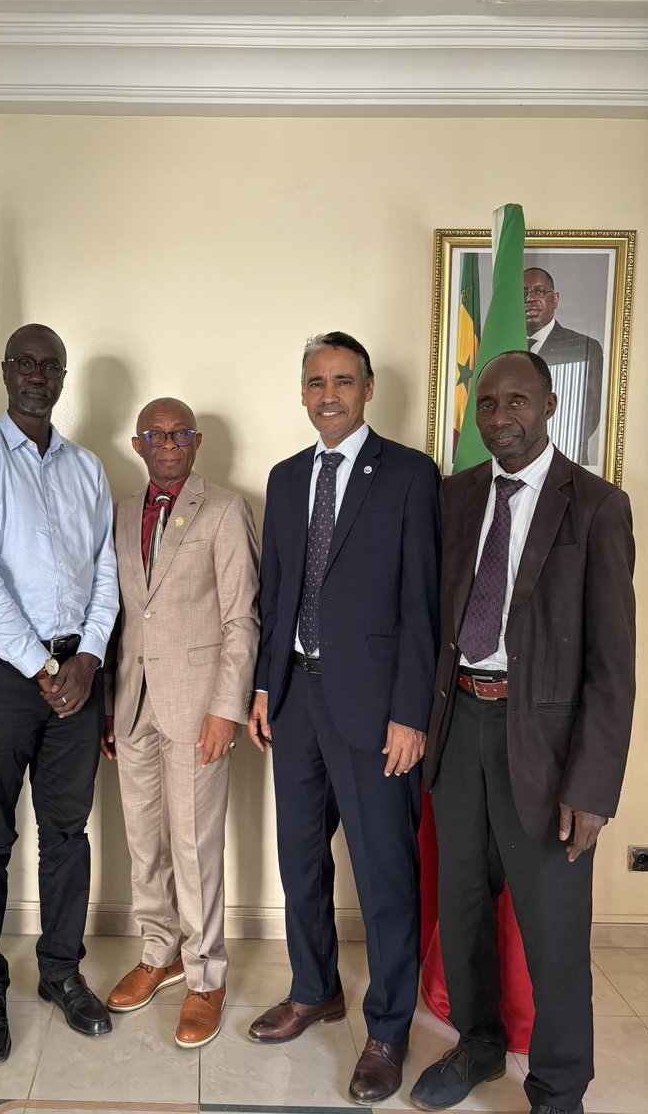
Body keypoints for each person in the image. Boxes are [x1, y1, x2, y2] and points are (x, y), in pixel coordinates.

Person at [410, 351, 635, 1114]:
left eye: (517, 402)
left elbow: (614, 665)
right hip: (460, 727)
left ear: (547, 404)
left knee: (553, 928)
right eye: (487, 404)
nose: (500, 418)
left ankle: (558, 1090)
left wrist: (594, 786)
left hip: (545, 747)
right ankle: (477, 1045)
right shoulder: (457, 495)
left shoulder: (598, 507)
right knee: (464, 903)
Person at [247, 332, 441, 1105]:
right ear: (302, 392)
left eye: (343, 381)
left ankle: (389, 1029)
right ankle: (314, 988)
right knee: (301, 863)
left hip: (374, 709)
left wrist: (409, 713)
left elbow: (424, 605)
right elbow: (277, 596)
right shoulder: (286, 477)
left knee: (385, 872)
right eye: (315, 382)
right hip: (295, 699)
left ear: (367, 390)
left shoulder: (408, 475)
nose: (328, 395)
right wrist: (264, 689)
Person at [0, 323, 119, 1065]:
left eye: (51, 365)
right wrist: (42, 671)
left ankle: (60, 972)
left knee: (67, 832)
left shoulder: (88, 470)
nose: (38, 375)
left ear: (64, 376)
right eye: (26, 363)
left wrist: (89, 657)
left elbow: (107, 571)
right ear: (8, 371)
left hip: (78, 674)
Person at [102, 397, 259, 1048]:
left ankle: (205, 977)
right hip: (133, 703)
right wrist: (111, 707)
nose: (168, 443)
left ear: (196, 444)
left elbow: (241, 618)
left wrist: (226, 709)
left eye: (180, 433)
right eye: (155, 434)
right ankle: (158, 952)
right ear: (138, 444)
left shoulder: (224, 510)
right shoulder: (119, 513)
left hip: (198, 709)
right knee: (145, 842)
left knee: (194, 849)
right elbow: (120, 614)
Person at [524, 267, 603, 464]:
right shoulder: (499, 350)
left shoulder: (584, 347)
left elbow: (589, 416)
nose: (531, 298)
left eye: (540, 291)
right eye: (524, 292)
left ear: (555, 299)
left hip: (561, 462)